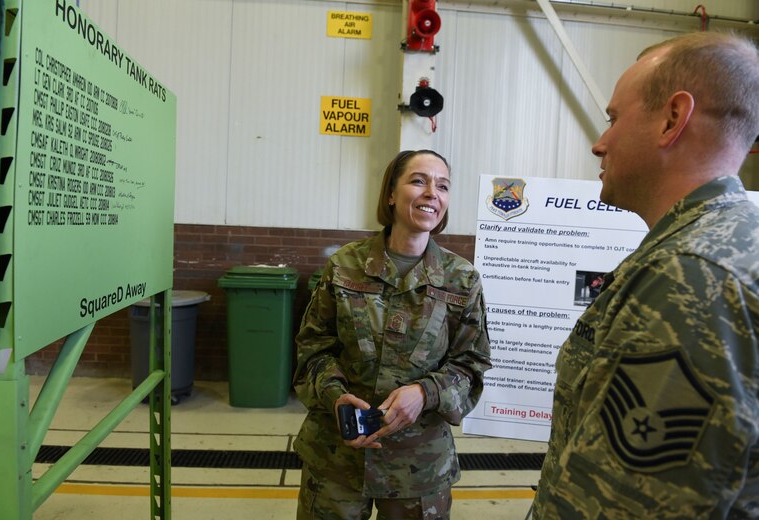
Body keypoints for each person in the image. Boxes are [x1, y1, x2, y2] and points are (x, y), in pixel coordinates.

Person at [532, 31, 759, 518]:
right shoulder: (729, 244)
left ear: (673, 119)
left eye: (613, 118)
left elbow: (623, 503)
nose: (600, 143)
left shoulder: (692, 274)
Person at [293, 150, 491, 519]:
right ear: (390, 194)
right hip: (337, 455)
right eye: (419, 180)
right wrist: (335, 396)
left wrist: (425, 392)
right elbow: (312, 349)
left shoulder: (461, 280)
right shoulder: (344, 266)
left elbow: (472, 364)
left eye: (443, 186)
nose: (433, 192)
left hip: (417, 468)